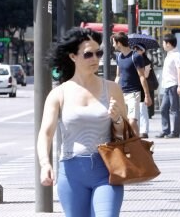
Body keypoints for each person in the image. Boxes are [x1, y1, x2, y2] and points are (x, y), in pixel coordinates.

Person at [37, 27, 127, 217]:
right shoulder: (59, 93)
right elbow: (46, 133)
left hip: (107, 171)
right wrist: (45, 164)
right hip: (71, 173)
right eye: (88, 54)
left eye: (98, 53)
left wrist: (117, 118)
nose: (95, 58)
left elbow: (124, 131)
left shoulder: (112, 89)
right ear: (73, 57)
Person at [113, 32, 152, 136]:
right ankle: (129, 144)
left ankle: (137, 145)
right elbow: (118, 76)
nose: (113, 45)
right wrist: (113, 91)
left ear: (119, 43)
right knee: (122, 122)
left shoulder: (136, 57)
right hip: (121, 93)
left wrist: (147, 96)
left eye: (114, 43)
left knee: (132, 121)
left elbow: (142, 77)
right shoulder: (119, 57)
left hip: (133, 93)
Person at [156, 33, 180, 139]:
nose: (162, 45)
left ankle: (175, 132)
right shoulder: (169, 54)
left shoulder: (176, 55)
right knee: (163, 108)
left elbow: (179, 69)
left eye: (163, 43)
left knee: (174, 109)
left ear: (168, 44)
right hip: (167, 86)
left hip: (173, 85)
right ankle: (165, 130)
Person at [133, 43, 156, 138]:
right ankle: (137, 129)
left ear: (142, 51)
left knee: (142, 109)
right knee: (136, 109)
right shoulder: (134, 60)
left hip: (143, 87)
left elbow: (145, 76)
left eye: (137, 49)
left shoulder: (146, 61)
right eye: (134, 48)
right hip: (135, 87)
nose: (135, 50)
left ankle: (144, 130)